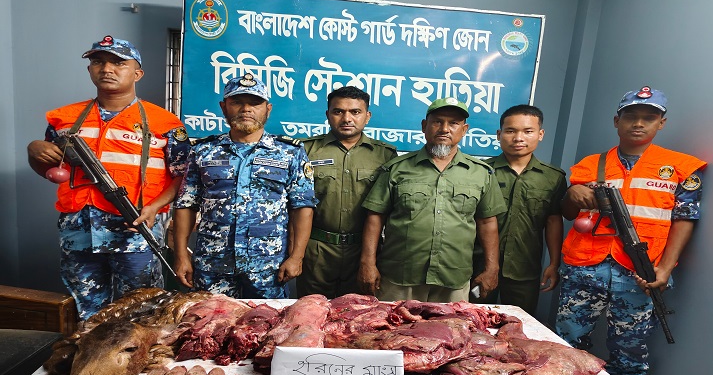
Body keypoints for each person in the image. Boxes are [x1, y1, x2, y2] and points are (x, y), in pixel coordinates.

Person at [26, 35, 189, 320]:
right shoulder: (64, 119)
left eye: (118, 63)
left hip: (134, 231)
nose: (107, 69)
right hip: (79, 234)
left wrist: (154, 207)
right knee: (87, 315)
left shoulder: (166, 123)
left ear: (137, 73)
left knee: (142, 313)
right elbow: (51, 170)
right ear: (89, 70)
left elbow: (183, 177)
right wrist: (34, 152)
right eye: (98, 62)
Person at [555, 86, 707, 375]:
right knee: (566, 343)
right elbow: (569, 212)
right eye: (630, 116)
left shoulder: (681, 168)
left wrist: (665, 269)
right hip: (586, 267)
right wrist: (572, 194)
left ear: (661, 123)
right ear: (617, 121)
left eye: (648, 118)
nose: (638, 123)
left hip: (640, 271)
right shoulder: (590, 164)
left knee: (630, 352)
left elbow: (685, 220)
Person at [173, 73, 316, 299]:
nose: (246, 109)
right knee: (209, 319)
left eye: (255, 103)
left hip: (267, 267)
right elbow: (186, 205)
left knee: (267, 320)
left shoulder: (290, 153)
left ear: (268, 109)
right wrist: (181, 255)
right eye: (237, 102)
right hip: (212, 265)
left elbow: (302, 207)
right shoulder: (203, 151)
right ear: (223, 107)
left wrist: (297, 257)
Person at [358, 97, 506, 302]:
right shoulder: (397, 168)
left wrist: (492, 268)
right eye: (437, 121)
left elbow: (487, 222)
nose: (444, 129)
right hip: (400, 276)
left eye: (453, 123)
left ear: (464, 130)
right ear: (424, 126)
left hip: (454, 277)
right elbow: (375, 217)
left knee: (452, 323)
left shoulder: (481, 173)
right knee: (395, 323)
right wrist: (367, 263)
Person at [296, 86, 397, 299]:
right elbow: (294, 206)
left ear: (367, 116)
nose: (347, 118)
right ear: (328, 114)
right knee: (312, 309)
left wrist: (370, 260)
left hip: (364, 251)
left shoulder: (385, 155)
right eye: (338, 111)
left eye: (355, 112)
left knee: (359, 312)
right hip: (317, 251)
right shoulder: (306, 150)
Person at [472, 105, 567, 315]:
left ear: (540, 134)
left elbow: (553, 221)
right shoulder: (480, 172)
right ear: (499, 134)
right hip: (478, 266)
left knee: (519, 323)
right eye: (510, 131)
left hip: (524, 269)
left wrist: (554, 263)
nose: (518, 138)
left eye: (528, 131)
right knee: (473, 318)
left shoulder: (552, 177)